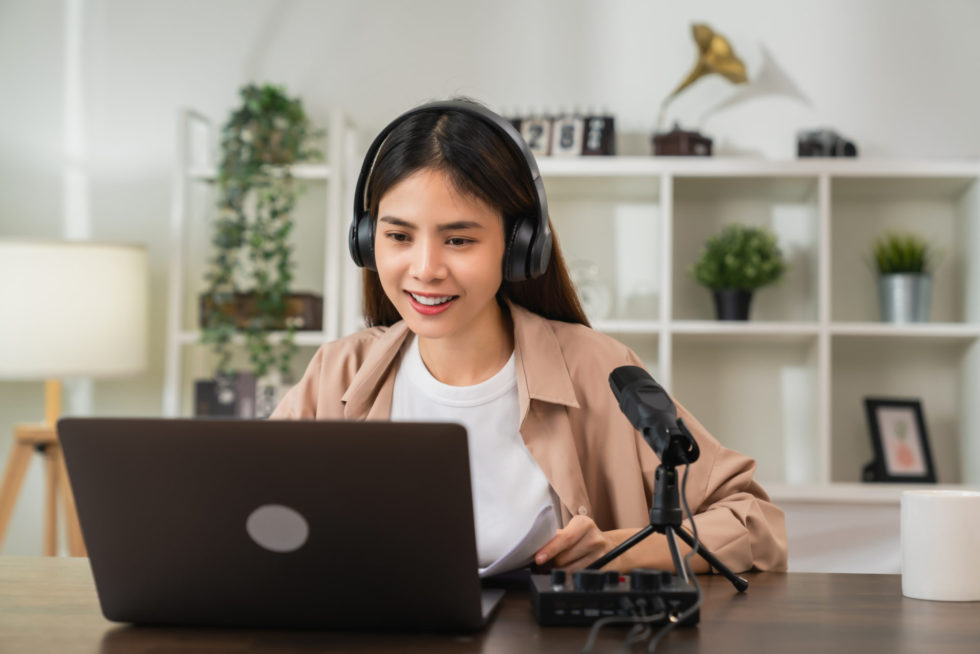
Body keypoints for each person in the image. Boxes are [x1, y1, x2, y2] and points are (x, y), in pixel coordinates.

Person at [271, 99, 787, 574]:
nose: (425, 269)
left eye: (458, 239)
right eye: (398, 236)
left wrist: (621, 550)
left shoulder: (596, 368)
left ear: (519, 247)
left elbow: (755, 523)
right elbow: (250, 515)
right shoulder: (337, 373)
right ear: (366, 240)